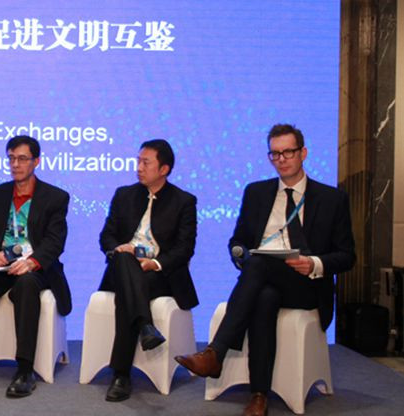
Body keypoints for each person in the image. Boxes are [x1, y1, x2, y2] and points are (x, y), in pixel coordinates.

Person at [175, 124, 355, 416]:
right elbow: (238, 241)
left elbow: (347, 256)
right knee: (264, 296)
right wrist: (241, 255)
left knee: (259, 266)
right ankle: (259, 396)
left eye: (288, 152)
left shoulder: (332, 198)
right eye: (274, 154)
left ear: (303, 153)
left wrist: (314, 263)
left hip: (306, 284)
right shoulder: (257, 192)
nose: (281, 159)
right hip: (263, 279)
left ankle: (216, 352)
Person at [0, 135, 71, 398]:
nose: (15, 164)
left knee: (27, 285)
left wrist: (32, 262)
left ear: (36, 162)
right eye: (11, 158)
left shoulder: (55, 198)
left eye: (22, 159)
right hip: (1, 267)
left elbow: (55, 243)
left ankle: (24, 369)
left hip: (36, 269)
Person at [97, 139, 198, 401]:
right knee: (124, 261)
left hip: (160, 274)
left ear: (164, 169)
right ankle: (145, 326)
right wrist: (119, 249)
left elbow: (184, 249)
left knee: (129, 294)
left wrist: (155, 263)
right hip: (124, 267)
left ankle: (121, 375)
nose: (139, 167)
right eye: (138, 161)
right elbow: (106, 236)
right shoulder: (124, 195)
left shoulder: (183, 201)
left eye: (146, 162)